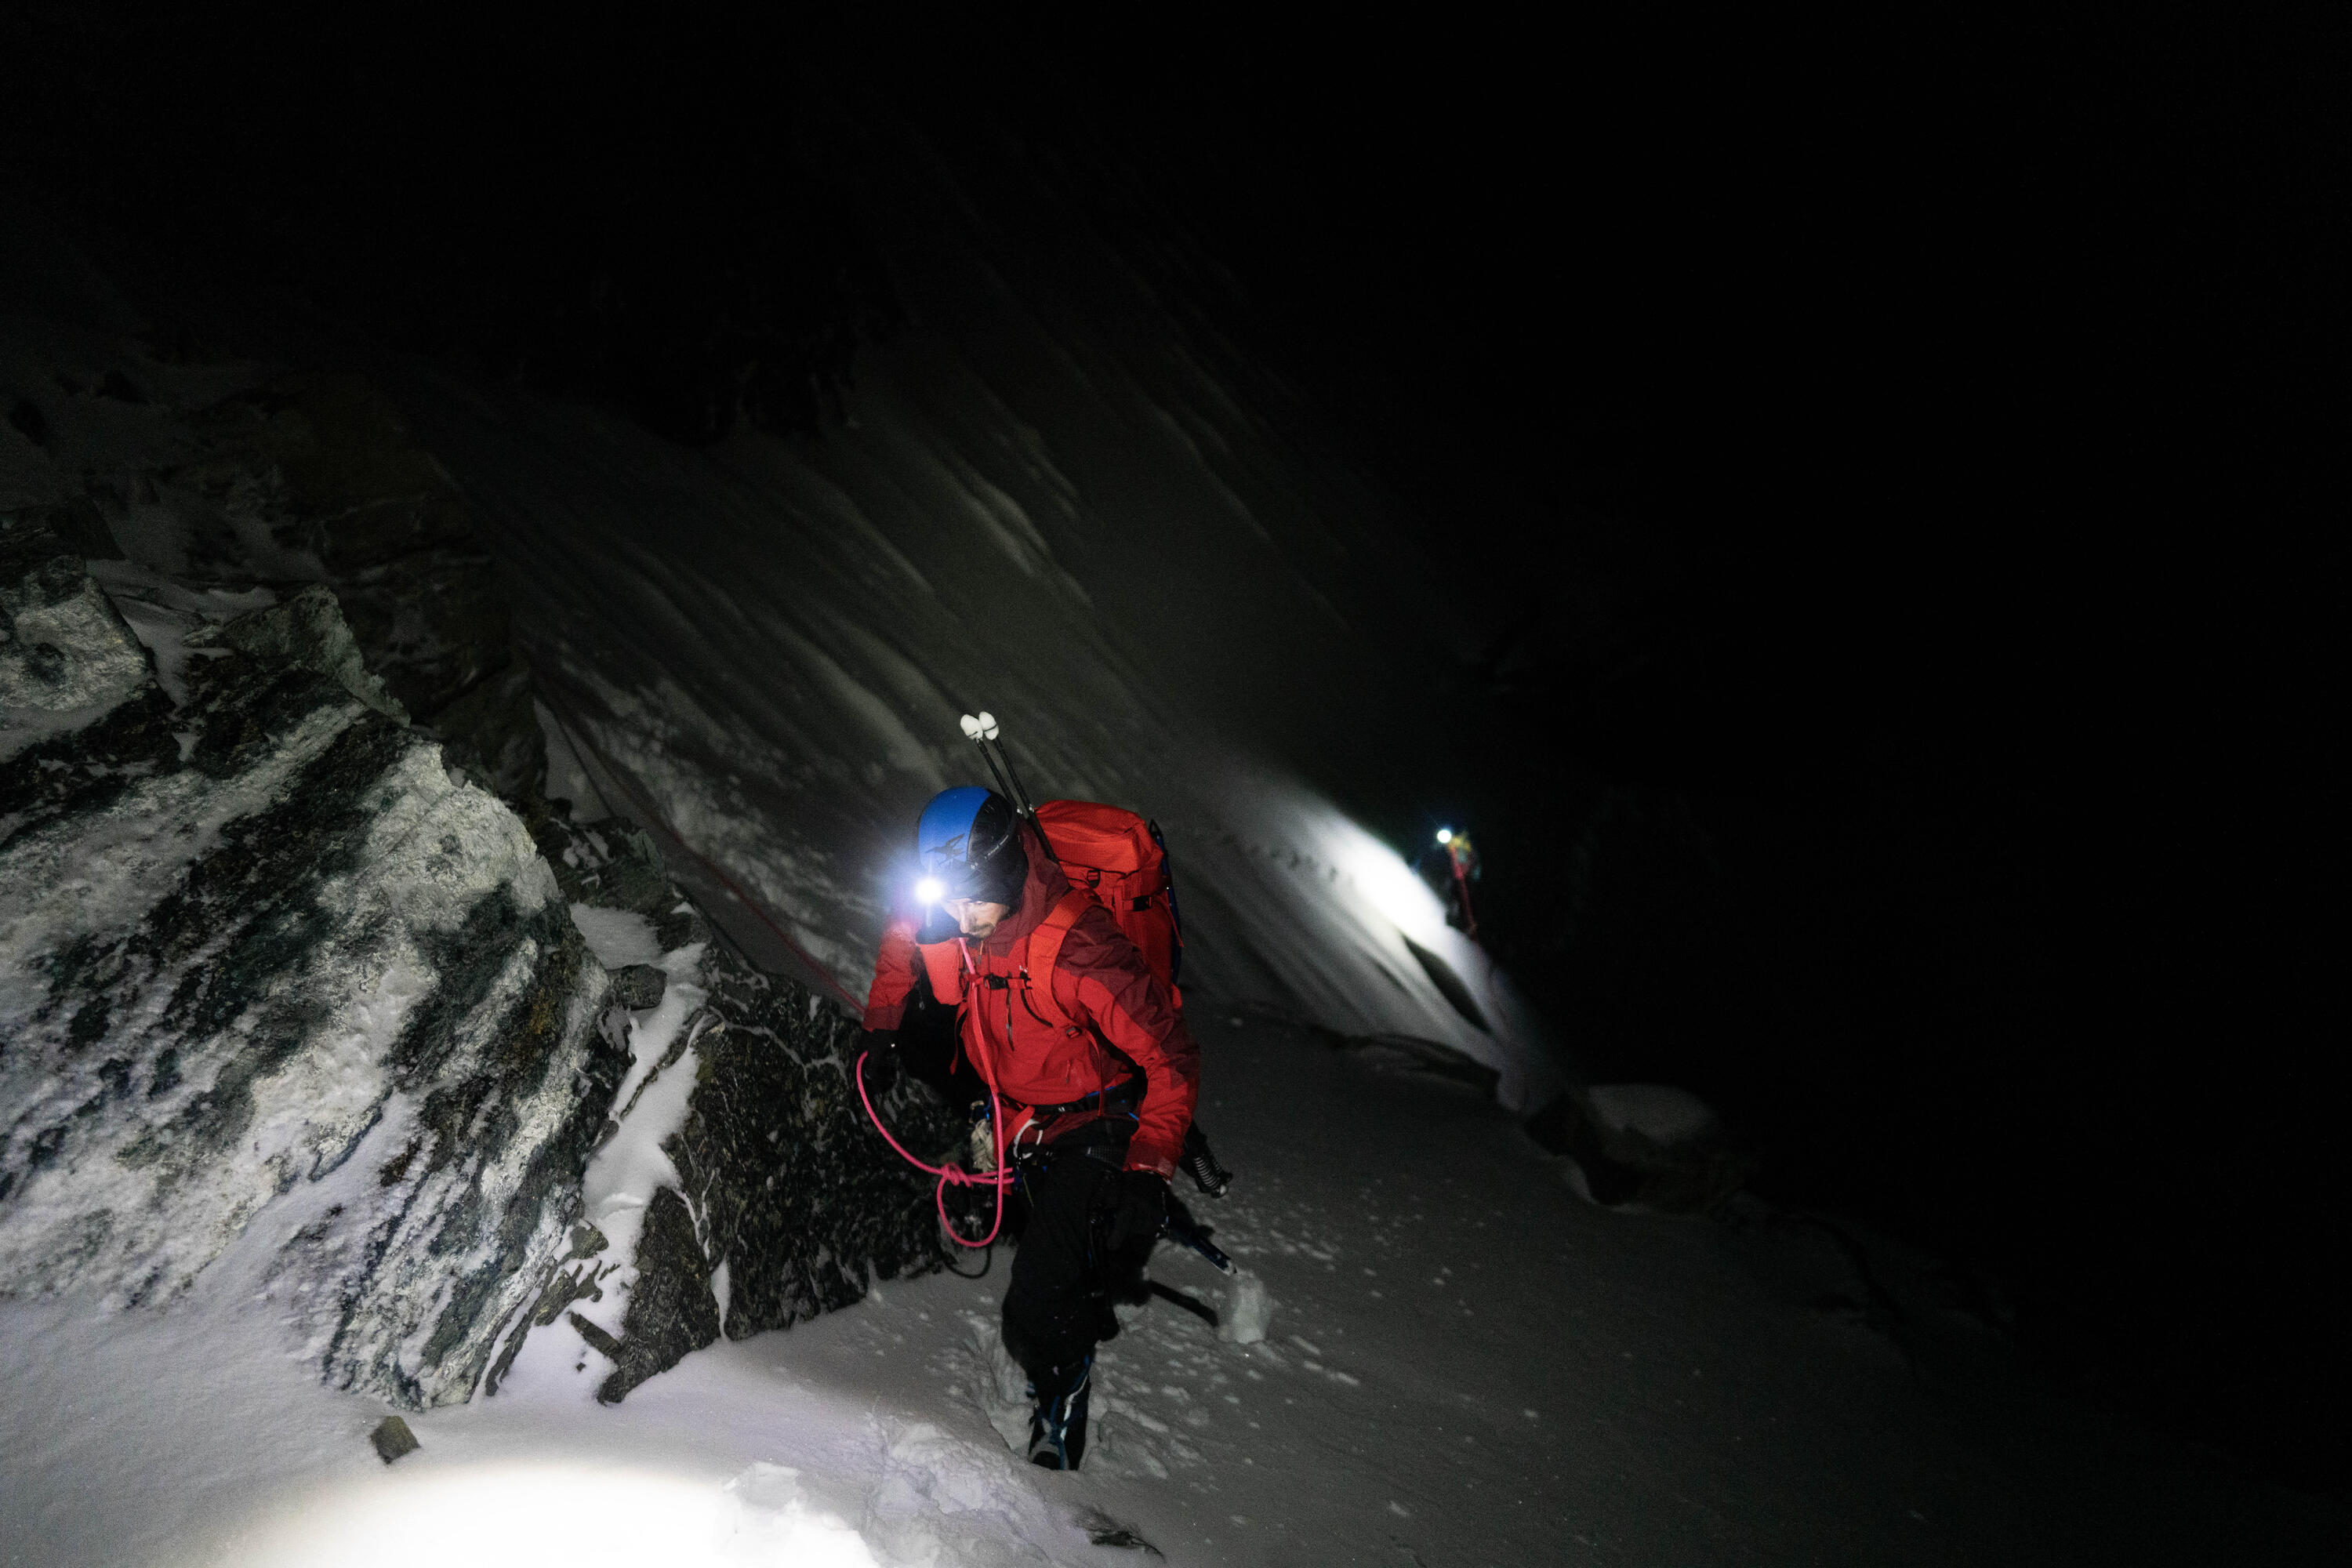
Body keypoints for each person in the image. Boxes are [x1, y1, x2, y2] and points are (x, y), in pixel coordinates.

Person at [860, 786, 1201, 1470]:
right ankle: (1091, 1279)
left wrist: (1149, 1164)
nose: (958, 918)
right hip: (1012, 1109)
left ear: (1008, 876)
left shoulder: (1079, 949)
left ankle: (1061, 1391)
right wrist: (880, 1028)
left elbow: (1171, 1057)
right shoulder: (952, 908)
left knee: (1035, 1305)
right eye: (948, 901)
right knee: (1067, 1253)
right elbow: (904, 939)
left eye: (972, 901)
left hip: (1088, 1122)